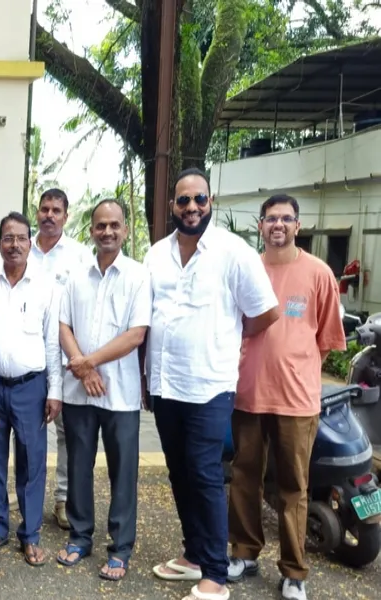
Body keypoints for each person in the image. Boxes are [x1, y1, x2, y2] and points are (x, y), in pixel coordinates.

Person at [147, 168, 279, 600]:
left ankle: (216, 576)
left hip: (209, 385)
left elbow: (265, 312)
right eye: (183, 200)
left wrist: (228, 339)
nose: (191, 207)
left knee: (204, 474)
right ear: (173, 205)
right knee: (179, 472)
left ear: (211, 202)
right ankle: (194, 555)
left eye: (199, 199)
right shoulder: (156, 255)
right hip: (166, 385)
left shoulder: (232, 251)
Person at [228, 194, 345, 600]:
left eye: (286, 218)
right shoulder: (247, 270)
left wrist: (296, 368)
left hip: (296, 401)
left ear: (298, 225)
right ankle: (244, 553)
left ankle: (294, 572)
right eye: (271, 218)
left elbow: (326, 340)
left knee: (294, 486)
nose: (278, 224)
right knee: (244, 477)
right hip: (247, 394)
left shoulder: (318, 274)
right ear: (260, 225)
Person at [55, 200, 150, 581]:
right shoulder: (76, 277)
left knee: (122, 472)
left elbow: (135, 335)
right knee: (78, 465)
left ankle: (120, 548)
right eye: (100, 225)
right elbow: (63, 327)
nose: (107, 231)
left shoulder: (138, 276)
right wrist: (83, 370)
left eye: (114, 225)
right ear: (91, 230)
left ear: (125, 229)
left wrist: (87, 363)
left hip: (121, 395)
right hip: (79, 392)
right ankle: (80, 537)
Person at [0, 212, 63, 566]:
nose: (14, 245)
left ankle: (30, 535)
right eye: (8, 238)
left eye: (21, 238)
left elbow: (53, 343)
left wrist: (55, 391)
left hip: (31, 388)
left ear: (30, 242)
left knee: (31, 462)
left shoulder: (46, 286)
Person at [30, 188, 93, 530]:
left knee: (67, 431)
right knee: (25, 430)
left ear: (66, 216)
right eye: (45, 209)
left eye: (56, 210)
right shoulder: (24, 248)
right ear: (37, 212)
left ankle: (63, 498)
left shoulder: (79, 256)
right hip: (29, 354)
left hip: (67, 354)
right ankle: (25, 494)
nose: (49, 215)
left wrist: (81, 356)